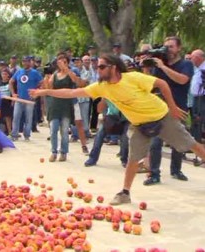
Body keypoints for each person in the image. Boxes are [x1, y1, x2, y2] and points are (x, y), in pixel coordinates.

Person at [29, 53, 205, 205]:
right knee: (133, 159)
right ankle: (125, 193)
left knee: (192, 145)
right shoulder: (101, 87)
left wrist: (173, 107)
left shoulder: (133, 78)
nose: (98, 70)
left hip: (162, 117)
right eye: (98, 67)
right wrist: (44, 93)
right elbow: (71, 93)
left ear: (113, 68)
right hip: (139, 125)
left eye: (102, 67)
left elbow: (161, 84)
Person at [144, 36, 195, 186]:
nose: (167, 50)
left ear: (179, 48)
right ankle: (154, 174)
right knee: (155, 142)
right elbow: (149, 85)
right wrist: (147, 67)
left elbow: (182, 80)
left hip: (178, 108)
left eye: (171, 47)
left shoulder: (186, 64)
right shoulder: (159, 65)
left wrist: (163, 67)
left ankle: (176, 170)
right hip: (159, 109)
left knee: (178, 142)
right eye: (165, 47)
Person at [46, 54, 83, 162]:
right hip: (55, 105)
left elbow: (77, 82)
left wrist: (66, 69)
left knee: (65, 131)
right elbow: (49, 89)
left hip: (66, 105)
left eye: (64, 61)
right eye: (59, 61)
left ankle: (64, 152)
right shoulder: (55, 74)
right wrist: (46, 81)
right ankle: (53, 152)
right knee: (53, 130)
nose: (61, 63)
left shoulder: (71, 73)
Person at [84, 98, 129, 167]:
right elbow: (99, 109)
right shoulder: (107, 92)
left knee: (125, 139)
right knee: (99, 136)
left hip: (125, 118)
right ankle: (92, 158)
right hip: (111, 116)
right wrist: (103, 99)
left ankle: (124, 159)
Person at [9, 56, 42, 141]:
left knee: (28, 118)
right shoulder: (19, 71)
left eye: (27, 61)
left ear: (30, 62)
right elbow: (11, 82)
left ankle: (27, 135)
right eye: (23, 61)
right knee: (16, 117)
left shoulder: (35, 72)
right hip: (19, 98)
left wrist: (37, 92)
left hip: (29, 99)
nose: (25, 63)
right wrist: (13, 94)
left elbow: (42, 83)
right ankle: (14, 134)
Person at [190, 49, 205, 144]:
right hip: (196, 97)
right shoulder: (197, 68)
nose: (191, 59)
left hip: (202, 97)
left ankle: (199, 143)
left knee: (200, 119)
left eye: (192, 57)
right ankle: (195, 142)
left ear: (198, 58)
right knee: (195, 120)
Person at [0, 68, 14, 136]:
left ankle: (10, 132)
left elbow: (13, 93)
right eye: (3, 74)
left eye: (5, 74)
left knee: (8, 118)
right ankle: (2, 131)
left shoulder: (10, 83)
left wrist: (13, 101)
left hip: (8, 102)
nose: (4, 75)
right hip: (1, 102)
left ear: (8, 75)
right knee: (1, 118)